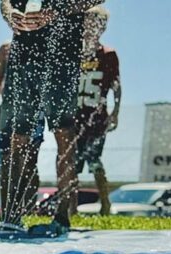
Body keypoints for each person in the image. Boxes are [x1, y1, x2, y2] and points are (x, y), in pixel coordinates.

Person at [0, 0, 104, 236]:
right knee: (18, 138)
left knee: (64, 137)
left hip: (62, 58)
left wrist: (56, 12)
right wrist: (10, 13)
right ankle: (10, 216)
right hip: (22, 57)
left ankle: (62, 216)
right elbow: (5, 1)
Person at [71, 5, 120, 217]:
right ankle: (70, 207)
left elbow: (117, 84)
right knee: (69, 163)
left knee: (94, 160)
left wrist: (115, 112)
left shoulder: (108, 54)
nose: (91, 27)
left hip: (96, 118)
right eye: (88, 22)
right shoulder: (73, 52)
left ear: (103, 27)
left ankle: (105, 203)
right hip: (73, 117)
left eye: (96, 23)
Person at [0, 40, 45, 217]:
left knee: (29, 161)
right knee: (7, 160)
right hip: (9, 111)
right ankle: (7, 212)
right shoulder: (6, 48)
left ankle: (28, 210)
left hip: (36, 111)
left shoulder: (43, 45)